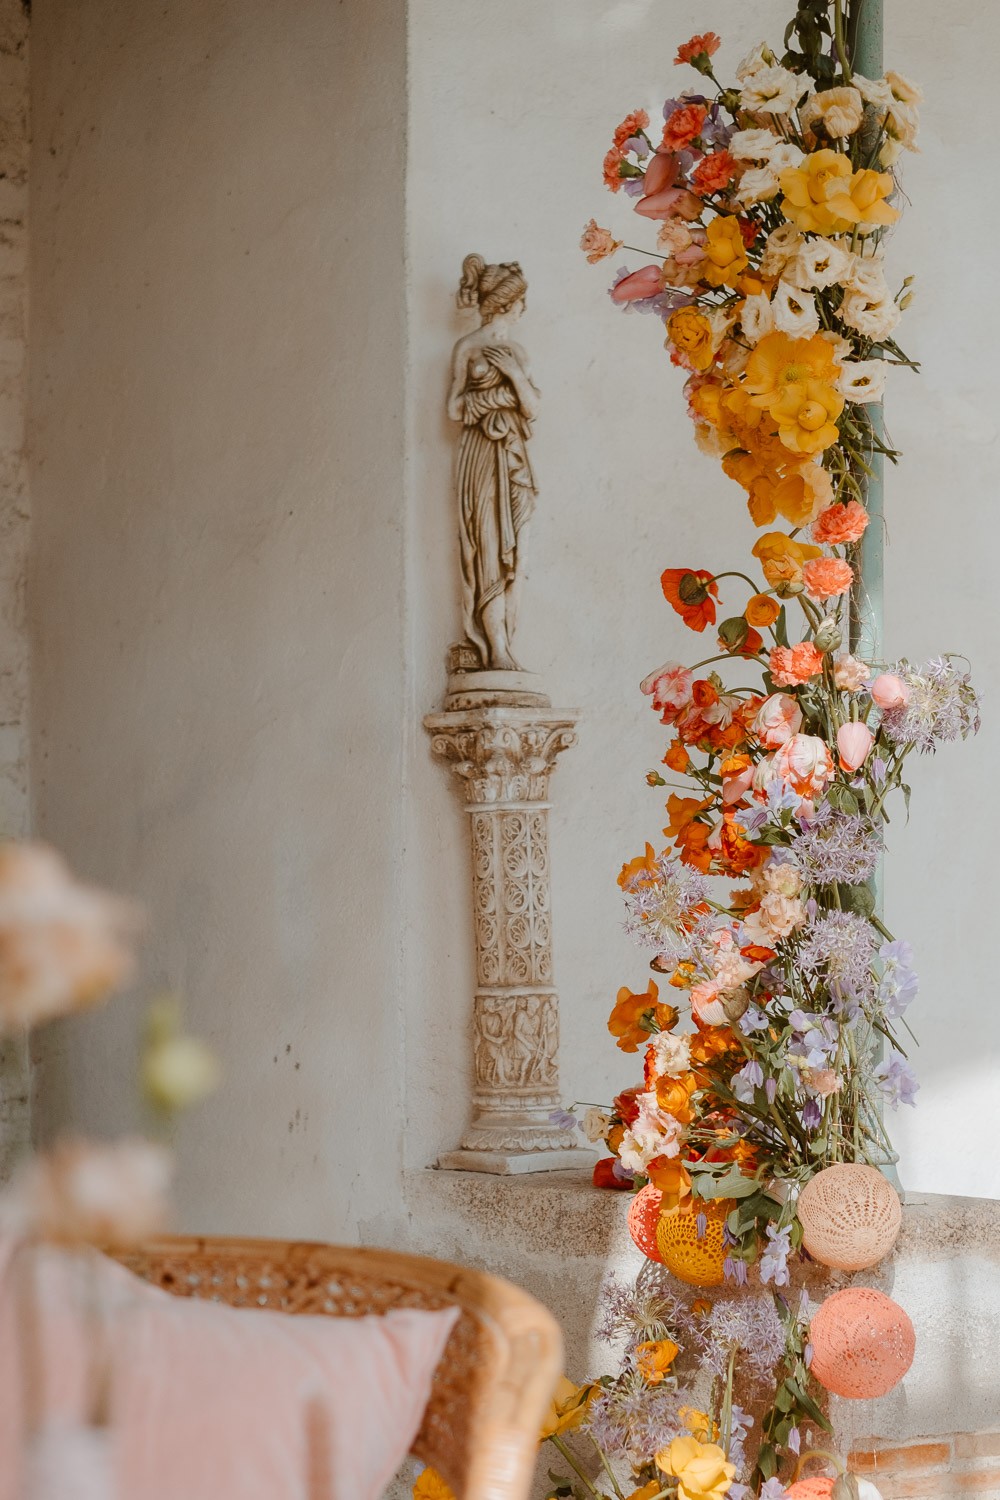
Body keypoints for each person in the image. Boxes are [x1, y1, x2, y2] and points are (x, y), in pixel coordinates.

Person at [447, 255, 540, 671]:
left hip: (512, 457)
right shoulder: (467, 348)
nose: (523, 310)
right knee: (487, 546)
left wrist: (514, 379)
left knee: (514, 551)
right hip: (481, 456)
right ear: (507, 305)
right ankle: (495, 650)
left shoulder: (517, 352)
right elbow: (453, 408)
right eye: (520, 303)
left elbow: (533, 407)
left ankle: (508, 643)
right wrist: (494, 399)